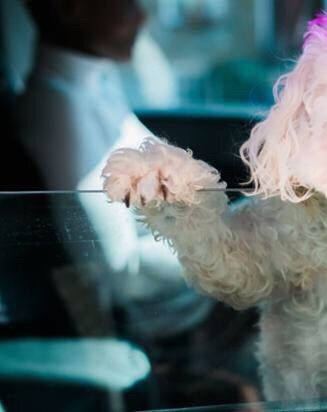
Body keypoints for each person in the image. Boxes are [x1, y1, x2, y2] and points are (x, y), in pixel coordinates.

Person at [15, 0, 212, 341]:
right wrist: (232, 248)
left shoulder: (95, 84)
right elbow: (121, 272)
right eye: (125, 2)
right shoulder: (58, 110)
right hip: (154, 317)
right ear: (69, 8)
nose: (141, 13)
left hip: (181, 281)